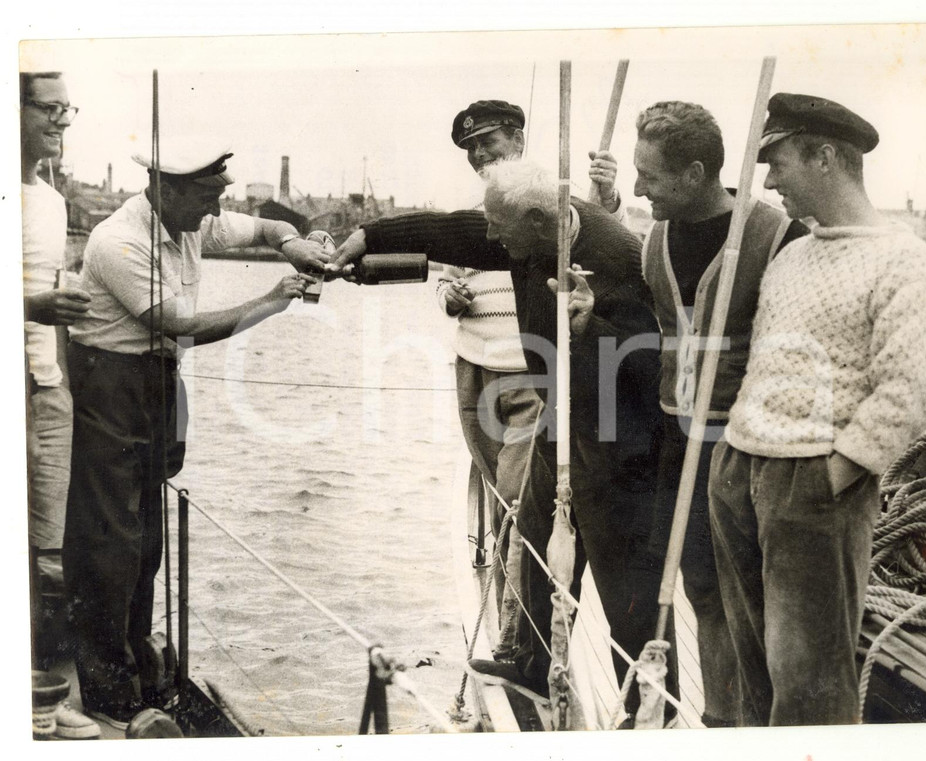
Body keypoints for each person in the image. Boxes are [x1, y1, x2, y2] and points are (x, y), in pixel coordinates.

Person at [331, 158, 663, 720]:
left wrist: (588, 328)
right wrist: (368, 236)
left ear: (536, 220)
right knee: (534, 528)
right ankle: (531, 661)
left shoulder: (616, 257)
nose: (489, 237)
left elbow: (649, 361)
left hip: (618, 431)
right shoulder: (527, 234)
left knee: (622, 576)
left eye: (499, 226)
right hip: (561, 411)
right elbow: (456, 229)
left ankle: (649, 708)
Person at [62, 139, 327, 729]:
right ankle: (108, 690)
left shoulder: (191, 220)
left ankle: (131, 662)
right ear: (166, 188)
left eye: (217, 198)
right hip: (111, 382)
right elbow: (177, 324)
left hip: (157, 383)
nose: (213, 212)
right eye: (206, 197)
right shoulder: (118, 241)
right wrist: (270, 300)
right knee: (111, 541)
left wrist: (293, 244)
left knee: (146, 540)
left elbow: (262, 227)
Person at [708, 93, 926, 726]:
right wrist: (732, 459)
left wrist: (834, 475)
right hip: (740, 469)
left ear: (823, 157)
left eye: (777, 160)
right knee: (752, 663)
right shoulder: (793, 255)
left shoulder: (904, 261)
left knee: (810, 678)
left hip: (813, 483)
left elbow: (908, 390)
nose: (768, 180)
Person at [629, 101, 809, 728]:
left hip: (746, 445)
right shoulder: (652, 239)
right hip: (679, 439)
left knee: (749, 593)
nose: (637, 188)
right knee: (700, 586)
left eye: (649, 177)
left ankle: (759, 727)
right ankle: (719, 723)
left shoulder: (778, 236)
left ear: (695, 172)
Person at [440, 100, 626, 628]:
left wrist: (608, 196)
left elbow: (598, 237)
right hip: (473, 361)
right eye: (471, 147)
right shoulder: (465, 204)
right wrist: (447, 294)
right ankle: (511, 619)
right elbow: (446, 274)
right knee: (499, 491)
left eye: (489, 142)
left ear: (518, 140)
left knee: (523, 503)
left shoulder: (546, 191)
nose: (479, 154)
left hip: (527, 366)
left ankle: (516, 634)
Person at [21, 69, 101, 741]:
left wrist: (69, 380)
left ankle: (43, 696)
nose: (62, 121)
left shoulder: (48, 200)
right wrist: (32, 308)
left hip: (47, 389)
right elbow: (36, 302)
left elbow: (56, 303)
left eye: (66, 109)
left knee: (50, 556)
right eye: (49, 109)